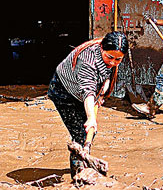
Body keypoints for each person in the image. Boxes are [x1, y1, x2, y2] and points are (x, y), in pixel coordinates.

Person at [48, 31, 127, 178]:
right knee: (81, 133)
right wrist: (91, 117)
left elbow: (98, 84)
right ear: (102, 48)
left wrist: (102, 94)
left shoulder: (110, 57)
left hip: (85, 93)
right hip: (63, 91)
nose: (113, 63)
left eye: (118, 60)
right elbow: (88, 91)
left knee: (89, 132)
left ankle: (83, 158)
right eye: (109, 57)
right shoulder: (87, 60)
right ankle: (79, 175)